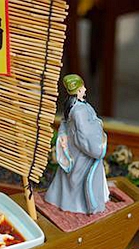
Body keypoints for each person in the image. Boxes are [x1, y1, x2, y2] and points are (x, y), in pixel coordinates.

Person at [44, 74, 110, 214]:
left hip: (74, 147)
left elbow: (65, 123)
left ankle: (63, 200)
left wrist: (64, 134)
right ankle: (77, 206)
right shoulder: (80, 110)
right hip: (82, 150)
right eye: (82, 87)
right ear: (78, 90)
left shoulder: (74, 106)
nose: (85, 89)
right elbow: (84, 134)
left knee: (70, 175)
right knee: (79, 178)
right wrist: (97, 147)